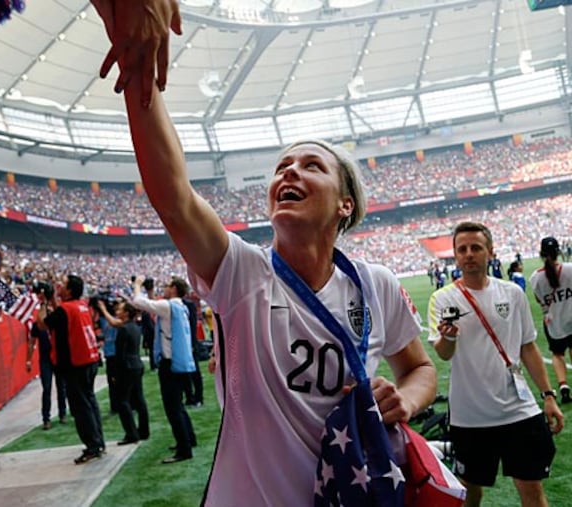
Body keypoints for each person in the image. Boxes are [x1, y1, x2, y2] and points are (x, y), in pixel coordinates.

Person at [98, 13, 436, 499]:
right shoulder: (243, 272)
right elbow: (173, 197)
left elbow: (421, 369)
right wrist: (139, 69)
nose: (288, 174)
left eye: (310, 166)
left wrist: (403, 399)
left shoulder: (374, 283)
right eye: (281, 168)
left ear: (346, 204)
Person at [428, 222, 563, 507]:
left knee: (531, 490)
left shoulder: (512, 294)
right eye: (461, 249)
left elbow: (528, 347)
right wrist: (448, 338)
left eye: (475, 247)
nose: (468, 254)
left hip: (519, 409)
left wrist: (548, 395)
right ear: (455, 255)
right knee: (470, 492)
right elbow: (442, 352)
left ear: (490, 252)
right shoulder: (441, 298)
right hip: (470, 416)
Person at [36, 274, 104, 465]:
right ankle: (99, 442)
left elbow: (43, 324)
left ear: (70, 290)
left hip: (76, 364)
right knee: (90, 402)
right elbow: (62, 319)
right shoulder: (81, 305)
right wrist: (52, 301)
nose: (60, 286)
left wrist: (42, 304)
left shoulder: (66, 309)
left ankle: (92, 446)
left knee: (80, 407)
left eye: (64, 284)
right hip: (89, 360)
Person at [131, 276, 197, 464]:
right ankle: (189, 439)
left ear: (174, 289)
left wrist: (137, 285)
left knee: (173, 408)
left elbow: (139, 302)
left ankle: (184, 450)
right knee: (179, 406)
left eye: (168, 286)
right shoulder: (179, 306)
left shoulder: (169, 307)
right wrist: (150, 292)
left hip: (170, 364)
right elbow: (155, 305)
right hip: (181, 362)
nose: (165, 288)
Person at [97, 299, 150, 444]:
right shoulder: (135, 327)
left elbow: (119, 354)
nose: (117, 312)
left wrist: (114, 374)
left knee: (122, 401)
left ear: (126, 313)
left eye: (120, 310)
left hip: (126, 367)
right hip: (136, 365)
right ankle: (144, 431)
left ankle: (131, 434)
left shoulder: (123, 329)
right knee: (139, 399)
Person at [529, 236, 572, 405]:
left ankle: (563, 385)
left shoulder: (535, 277)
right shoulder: (569, 269)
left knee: (558, 354)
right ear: (558, 252)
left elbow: (540, 300)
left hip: (554, 323)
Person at [26, 323, 67, 430]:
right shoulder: (38, 325)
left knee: (61, 387)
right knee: (47, 388)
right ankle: (46, 419)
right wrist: (28, 360)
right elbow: (32, 342)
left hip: (58, 359)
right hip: (45, 360)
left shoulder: (57, 320)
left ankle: (62, 413)